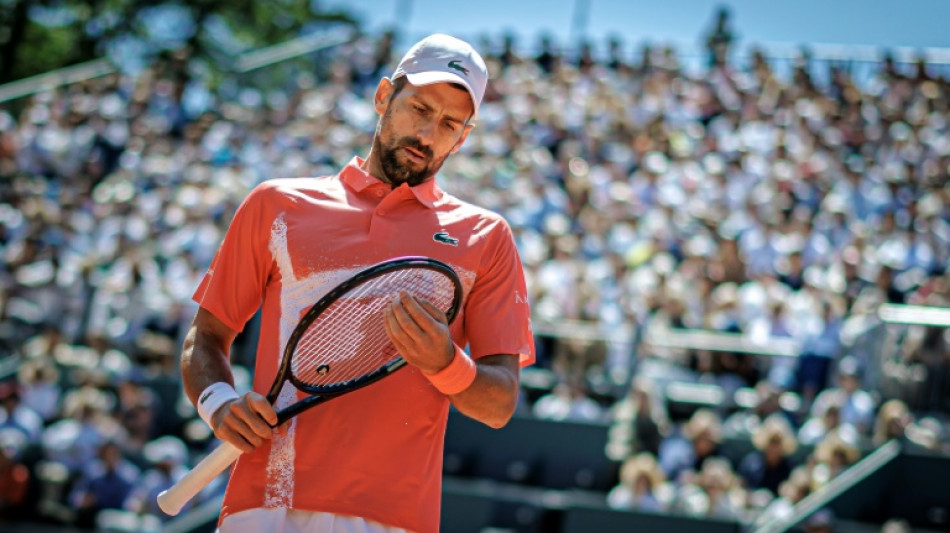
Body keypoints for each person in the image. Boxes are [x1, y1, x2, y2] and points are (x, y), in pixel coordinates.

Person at [179, 33, 534, 533]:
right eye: (420, 108)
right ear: (383, 97)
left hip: (396, 517)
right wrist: (218, 404)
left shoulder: (487, 236)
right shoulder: (276, 205)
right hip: (266, 504)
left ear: (465, 137)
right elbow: (206, 337)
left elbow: (499, 404)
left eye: (450, 123)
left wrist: (445, 364)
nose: (428, 133)